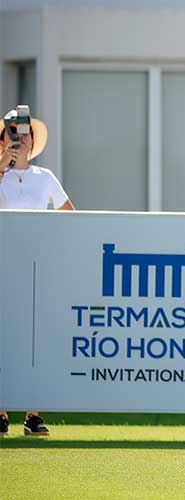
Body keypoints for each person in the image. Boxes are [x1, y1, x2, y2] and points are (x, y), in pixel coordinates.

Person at [0, 106, 71, 437]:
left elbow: (71, 216)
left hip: (36, 266)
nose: (20, 138)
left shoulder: (45, 178)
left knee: (33, 340)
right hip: (4, 263)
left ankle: (32, 414)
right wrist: (3, 165)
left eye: (24, 132)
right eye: (12, 132)